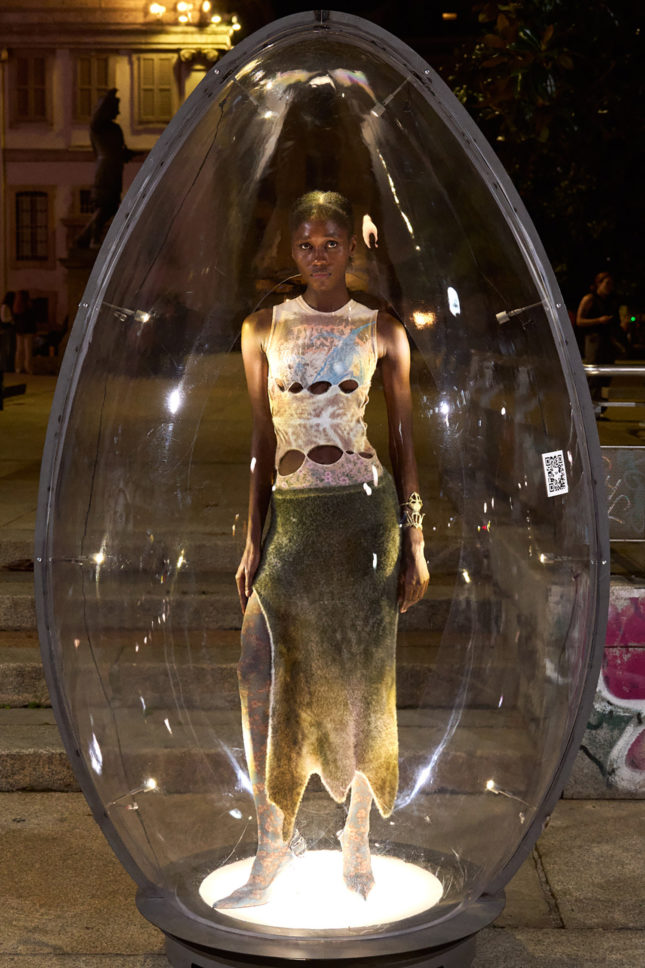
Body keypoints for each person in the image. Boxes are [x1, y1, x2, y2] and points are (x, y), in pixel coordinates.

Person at [217, 191, 429, 909]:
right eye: (305, 244)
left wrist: (415, 539)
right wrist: (252, 537)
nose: (318, 255)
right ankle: (269, 842)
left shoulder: (382, 329)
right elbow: (260, 439)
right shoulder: (261, 328)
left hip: (365, 523)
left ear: (350, 249)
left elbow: (403, 441)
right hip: (292, 521)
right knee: (259, 669)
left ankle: (356, 838)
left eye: (330, 243)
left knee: (364, 682)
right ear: (292, 250)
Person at [75, 89, 135, 249]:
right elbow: (96, 117)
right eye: (116, 108)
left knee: (112, 206)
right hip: (105, 170)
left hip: (115, 170)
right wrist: (108, 97)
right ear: (108, 108)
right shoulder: (97, 128)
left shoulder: (115, 129)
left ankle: (84, 238)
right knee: (104, 205)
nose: (119, 112)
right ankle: (94, 239)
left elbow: (120, 152)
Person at [576, 272, 622, 364]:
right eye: (607, 283)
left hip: (607, 340)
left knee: (608, 368)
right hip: (593, 339)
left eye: (611, 284)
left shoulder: (610, 301)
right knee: (594, 367)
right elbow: (579, 321)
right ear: (599, 283)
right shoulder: (589, 299)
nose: (609, 287)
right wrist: (599, 320)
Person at [13, 289, 35, 375]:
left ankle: (20, 367)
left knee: (21, 350)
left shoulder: (18, 306)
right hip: (25, 330)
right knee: (25, 350)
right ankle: (26, 368)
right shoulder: (25, 306)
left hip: (22, 330)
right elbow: (32, 320)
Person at [0, 291, 15, 373]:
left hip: (9, 329)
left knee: (10, 348)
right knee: (7, 348)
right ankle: (5, 367)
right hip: (7, 329)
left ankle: (8, 366)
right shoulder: (5, 307)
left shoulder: (8, 307)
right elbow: (4, 319)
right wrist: (12, 319)